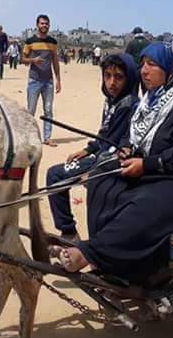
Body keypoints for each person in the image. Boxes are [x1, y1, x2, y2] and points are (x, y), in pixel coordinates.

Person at [54, 43, 173, 280]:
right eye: (143, 64)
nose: (144, 70)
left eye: (152, 64)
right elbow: (135, 136)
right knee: (102, 178)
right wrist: (127, 149)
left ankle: (92, 254)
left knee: (149, 203)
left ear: (171, 68)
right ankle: (110, 260)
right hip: (163, 172)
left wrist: (146, 165)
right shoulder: (151, 101)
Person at [47, 53, 140, 240]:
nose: (112, 82)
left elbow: (124, 143)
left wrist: (96, 168)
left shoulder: (131, 105)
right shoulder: (112, 102)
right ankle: (69, 232)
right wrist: (87, 150)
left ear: (129, 79)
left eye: (119, 77)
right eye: (107, 76)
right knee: (54, 174)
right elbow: (104, 135)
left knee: (56, 175)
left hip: (110, 164)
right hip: (100, 157)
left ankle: (83, 240)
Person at [22, 14, 61, 146]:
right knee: (31, 110)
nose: (44, 25)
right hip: (34, 80)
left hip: (48, 81)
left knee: (48, 110)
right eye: (42, 23)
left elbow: (55, 61)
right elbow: (22, 59)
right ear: (37, 25)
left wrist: (58, 80)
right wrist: (33, 60)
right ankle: (28, 137)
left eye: (46, 23)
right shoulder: (30, 41)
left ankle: (47, 137)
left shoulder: (53, 42)